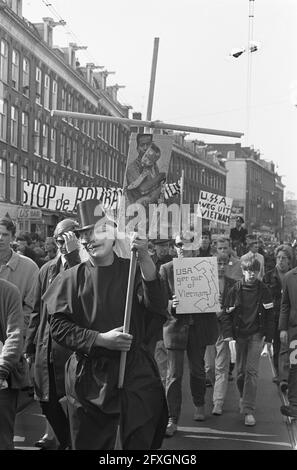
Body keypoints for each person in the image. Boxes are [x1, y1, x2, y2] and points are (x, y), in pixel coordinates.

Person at [42, 199, 168, 450]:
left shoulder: (133, 271)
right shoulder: (71, 279)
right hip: (89, 380)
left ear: (112, 235)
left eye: (98, 231)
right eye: (85, 235)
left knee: (138, 438)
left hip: (134, 374)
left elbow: (157, 305)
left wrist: (143, 257)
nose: (91, 239)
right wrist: (99, 339)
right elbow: (58, 328)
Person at [24, 219, 81, 450]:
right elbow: (37, 310)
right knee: (46, 402)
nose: (62, 243)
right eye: (59, 238)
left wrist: (75, 256)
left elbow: (85, 291)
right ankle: (67, 440)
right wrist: (29, 347)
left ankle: (73, 442)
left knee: (71, 402)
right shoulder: (47, 269)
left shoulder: (85, 266)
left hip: (70, 350)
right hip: (44, 346)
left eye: (67, 237)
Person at [161, 234, 219, 437]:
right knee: (174, 375)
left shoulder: (204, 267)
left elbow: (211, 296)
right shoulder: (166, 269)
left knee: (197, 370)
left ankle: (199, 404)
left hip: (198, 328)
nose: (182, 248)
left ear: (194, 248)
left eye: (186, 244)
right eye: (178, 244)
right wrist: (170, 304)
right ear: (174, 247)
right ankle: (172, 418)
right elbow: (156, 299)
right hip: (176, 328)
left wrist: (213, 299)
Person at [221, 255, 274, 426]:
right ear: (243, 271)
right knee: (240, 373)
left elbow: (270, 315)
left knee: (252, 372)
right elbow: (226, 315)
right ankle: (243, 396)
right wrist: (228, 336)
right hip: (239, 335)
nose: (251, 274)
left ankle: (248, 410)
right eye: (248, 271)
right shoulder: (234, 290)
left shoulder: (264, 290)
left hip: (256, 335)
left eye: (255, 271)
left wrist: (269, 338)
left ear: (258, 272)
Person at [204, 254, 237, 415]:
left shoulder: (233, 284)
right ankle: (216, 386)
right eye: (219, 263)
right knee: (209, 366)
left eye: (224, 264)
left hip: (224, 329)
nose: (222, 267)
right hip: (208, 327)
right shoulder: (204, 282)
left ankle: (218, 402)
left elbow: (235, 307)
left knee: (221, 367)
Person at [0, 279, 29, 449]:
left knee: (2, 440)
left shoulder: (9, 291)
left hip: (3, 378)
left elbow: (15, 336)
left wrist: (1, 370)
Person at [0, 218, 39, 341]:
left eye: (5, 234)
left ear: (12, 238)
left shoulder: (29, 267)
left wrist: (17, 335)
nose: (0, 238)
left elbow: (32, 307)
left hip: (13, 339)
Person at [264, 245, 291, 389]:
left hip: (290, 316)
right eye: (278, 258)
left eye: (284, 258)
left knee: (288, 345)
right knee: (277, 345)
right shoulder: (268, 276)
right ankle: (279, 374)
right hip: (273, 315)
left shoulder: (293, 276)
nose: (280, 261)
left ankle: (285, 376)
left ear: (289, 261)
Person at [279, 260, 297, 418]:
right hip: (295, 331)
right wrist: (283, 328)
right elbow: (285, 305)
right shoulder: (289, 277)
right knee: (295, 365)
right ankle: (294, 405)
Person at [126, 136, 166, 206]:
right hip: (135, 210)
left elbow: (156, 189)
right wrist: (160, 177)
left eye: (148, 145)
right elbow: (142, 188)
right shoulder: (131, 167)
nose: (145, 148)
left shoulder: (154, 167)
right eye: (142, 145)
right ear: (137, 148)